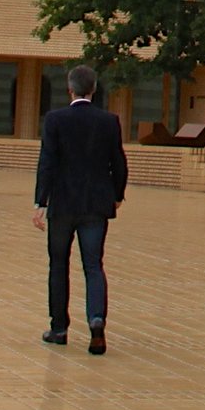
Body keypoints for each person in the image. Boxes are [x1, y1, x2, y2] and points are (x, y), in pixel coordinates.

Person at [33, 64, 128, 352]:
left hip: (62, 204)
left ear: (69, 89)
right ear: (94, 89)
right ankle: (96, 322)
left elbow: (47, 162)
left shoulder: (55, 119)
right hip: (95, 205)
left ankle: (59, 328)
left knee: (58, 264)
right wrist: (117, 194)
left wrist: (40, 201)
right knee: (93, 264)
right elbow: (119, 162)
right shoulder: (109, 121)